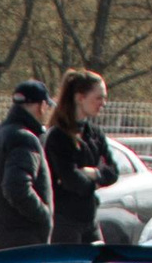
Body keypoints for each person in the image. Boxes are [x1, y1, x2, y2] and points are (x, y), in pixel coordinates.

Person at [0, 79, 54, 254]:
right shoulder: (24, 138)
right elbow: (16, 187)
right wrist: (44, 217)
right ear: (41, 106)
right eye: (48, 106)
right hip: (20, 243)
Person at [45, 69, 120, 248]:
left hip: (90, 219)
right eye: (98, 98)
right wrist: (94, 183)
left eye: (104, 98)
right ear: (80, 98)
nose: (103, 103)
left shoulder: (95, 134)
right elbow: (70, 178)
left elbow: (113, 171)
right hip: (64, 222)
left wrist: (93, 173)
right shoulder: (58, 136)